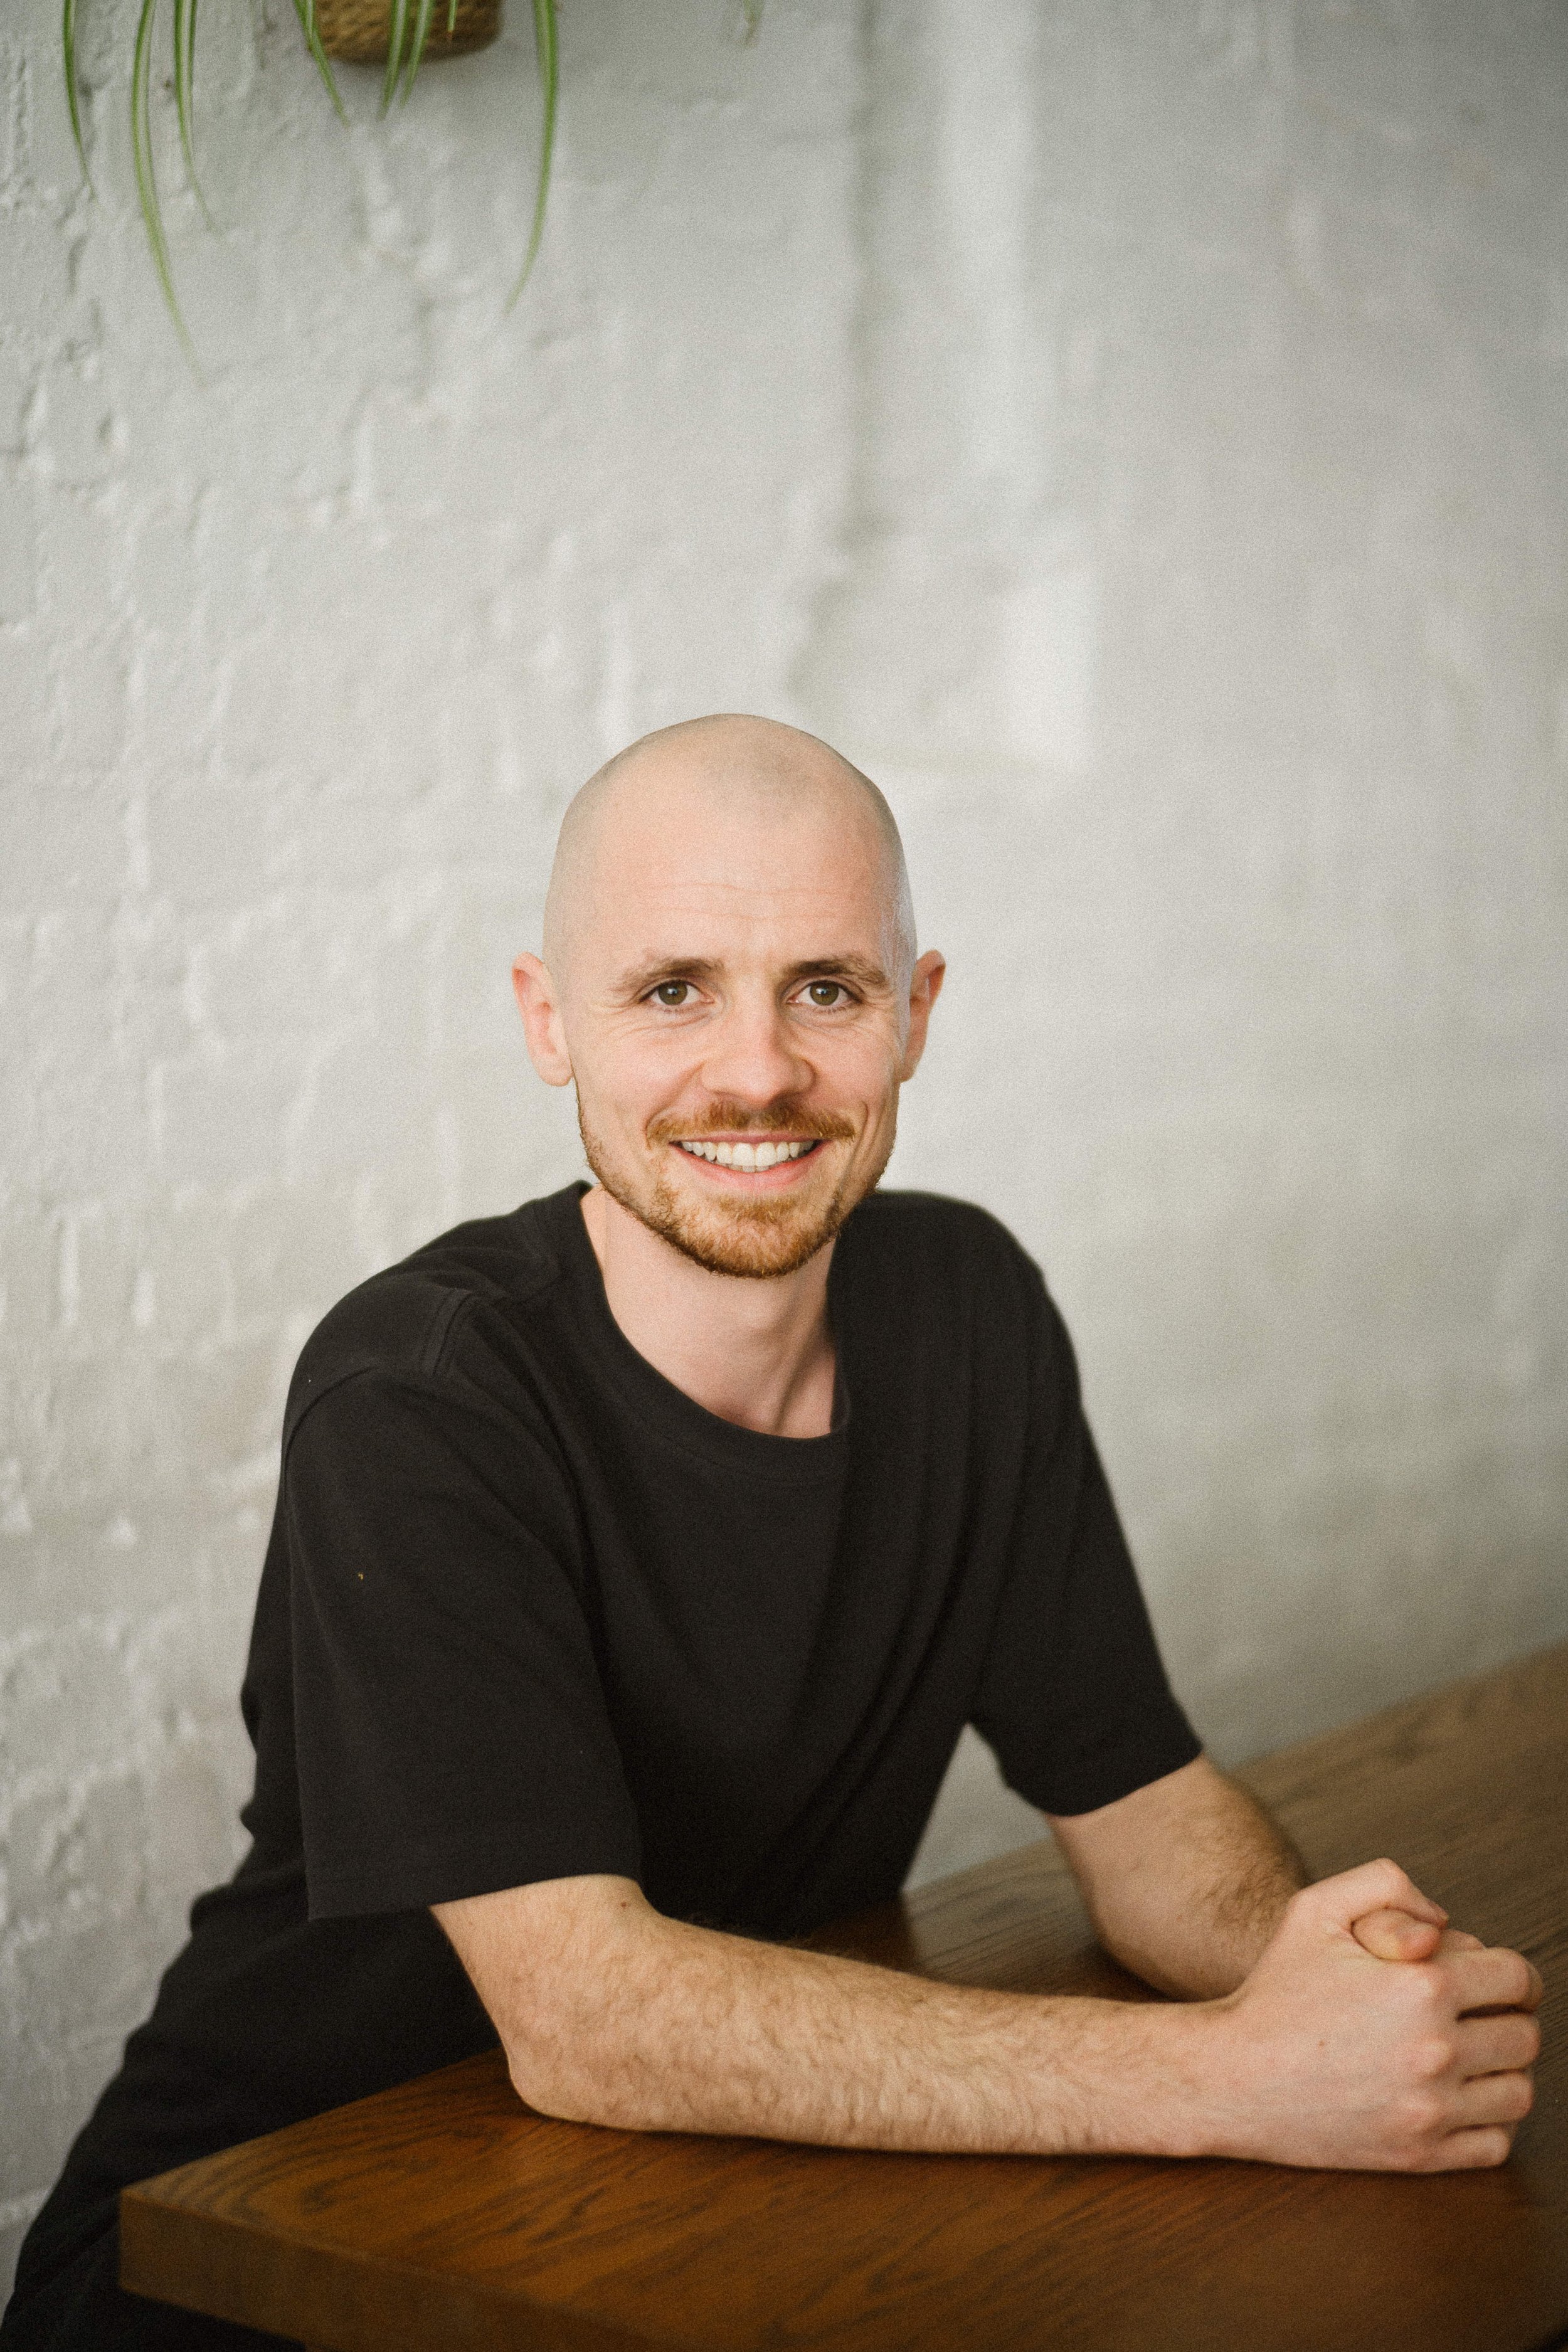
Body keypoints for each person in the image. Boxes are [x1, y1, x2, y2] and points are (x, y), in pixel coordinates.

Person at [4, 716, 1541, 2351]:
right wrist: (1236, 2082)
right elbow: (589, 2023)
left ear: (915, 1013)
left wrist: (1341, 1976)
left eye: (825, 986)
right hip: (252, 2263)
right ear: (549, 1021)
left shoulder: (967, 1310)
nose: (756, 1069)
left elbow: (1147, 1818)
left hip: (660, 2226)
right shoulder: (423, 1394)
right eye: (672, 988)